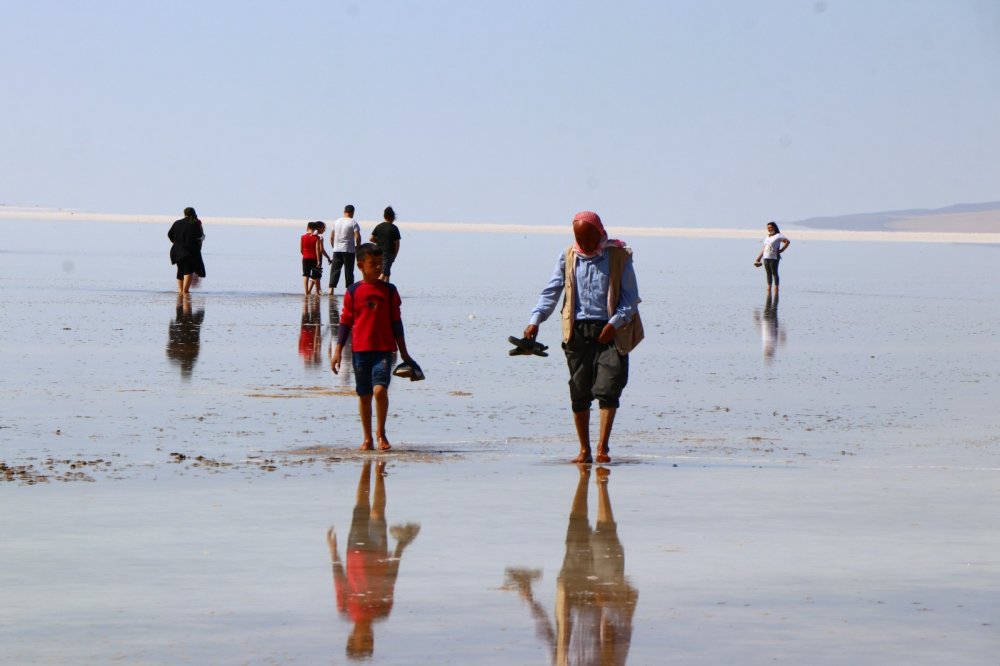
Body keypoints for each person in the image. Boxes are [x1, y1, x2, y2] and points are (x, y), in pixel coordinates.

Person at [523, 211, 642, 464]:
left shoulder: (618, 257)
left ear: (600, 233)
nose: (585, 244)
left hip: (610, 331)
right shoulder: (568, 257)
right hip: (577, 332)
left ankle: (602, 448)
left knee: (609, 387)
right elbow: (551, 292)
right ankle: (584, 450)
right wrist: (535, 321)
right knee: (579, 391)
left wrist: (614, 323)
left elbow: (630, 299)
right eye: (579, 238)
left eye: (589, 238)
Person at [504, 465, 638, 665]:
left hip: (573, 593)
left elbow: (547, 635)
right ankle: (599, 479)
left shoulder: (560, 663)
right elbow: (624, 626)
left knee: (577, 527)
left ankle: (587, 475)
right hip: (603, 591)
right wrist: (606, 606)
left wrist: (529, 600)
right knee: (605, 530)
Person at [327, 460, 420, 660]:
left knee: (361, 506)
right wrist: (400, 547)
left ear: (351, 638)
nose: (369, 638)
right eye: (370, 642)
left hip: (355, 550)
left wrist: (333, 552)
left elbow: (339, 580)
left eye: (364, 641)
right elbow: (390, 580)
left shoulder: (345, 609)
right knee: (378, 511)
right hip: (378, 552)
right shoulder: (382, 612)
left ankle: (365, 467)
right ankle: (379, 470)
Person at [331, 243, 414, 451]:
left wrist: (404, 352)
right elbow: (345, 322)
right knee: (365, 395)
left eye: (380, 264)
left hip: (384, 350)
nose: (378, 268)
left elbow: (396, 322)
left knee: (379, 390)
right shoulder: (353, 291)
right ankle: (367, 438)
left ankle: (381, 432)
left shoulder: (389, 291)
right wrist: (337, 351)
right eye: (373, 264)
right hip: (359, 351)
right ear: (360, 266)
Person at [167, 207, 206, 294]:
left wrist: (176, 242)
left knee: (180, 270)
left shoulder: (177, 223)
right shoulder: (195, 223)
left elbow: (169, 234)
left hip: (176, 251)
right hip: (188, 252)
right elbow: (199, 236)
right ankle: (185, 291)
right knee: (189, 271)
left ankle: (180, 290)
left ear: (184, 214)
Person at [329, 205, 362, 293]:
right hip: (349, 250)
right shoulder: (353, 222)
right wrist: (357, 247)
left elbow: (331, 237)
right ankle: (349, 290)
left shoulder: (336, 222)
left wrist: (334, 246)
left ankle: (331, 290)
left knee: (335, 270)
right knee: (349, 271)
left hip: (337, 250)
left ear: (344, 211)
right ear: (353, 212)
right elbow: (357, 237)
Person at [753, 221, 790, 293]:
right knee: (768, 273)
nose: (769, 229)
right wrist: (759, 258)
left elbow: (787, 241)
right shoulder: (767, 236)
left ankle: (776, 288)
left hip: (774, 257)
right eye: (768, 228)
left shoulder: (778, 235)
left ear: (774, 227)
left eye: (770, 227)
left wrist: (782, 250)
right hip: (766, 257)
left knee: (774, 273)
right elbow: (764, 248)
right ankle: (769, 288)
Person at [369, 206, 401, 282]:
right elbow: (397, 244)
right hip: (388, 252)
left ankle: (387, 290)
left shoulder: (379, 226)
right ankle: (375, 288)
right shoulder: (394, 228)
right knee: (384, 272)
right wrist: (395, 255)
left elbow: (371, 238)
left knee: (387, 272)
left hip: (378, 252)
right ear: (393, 217)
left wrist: (379, 241)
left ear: (384, 216)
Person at [301, 221, 325, 295]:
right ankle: (318, 292)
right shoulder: (317, 238)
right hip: (314, 258)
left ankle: (306, 292)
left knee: (306, 275)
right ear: (315, 229)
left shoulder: (302, 237)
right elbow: (317, 249)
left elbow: (301, 249)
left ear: (307, 228)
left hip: (305, 258)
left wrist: (305, 255)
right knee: (316, 276)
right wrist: (318, 261)